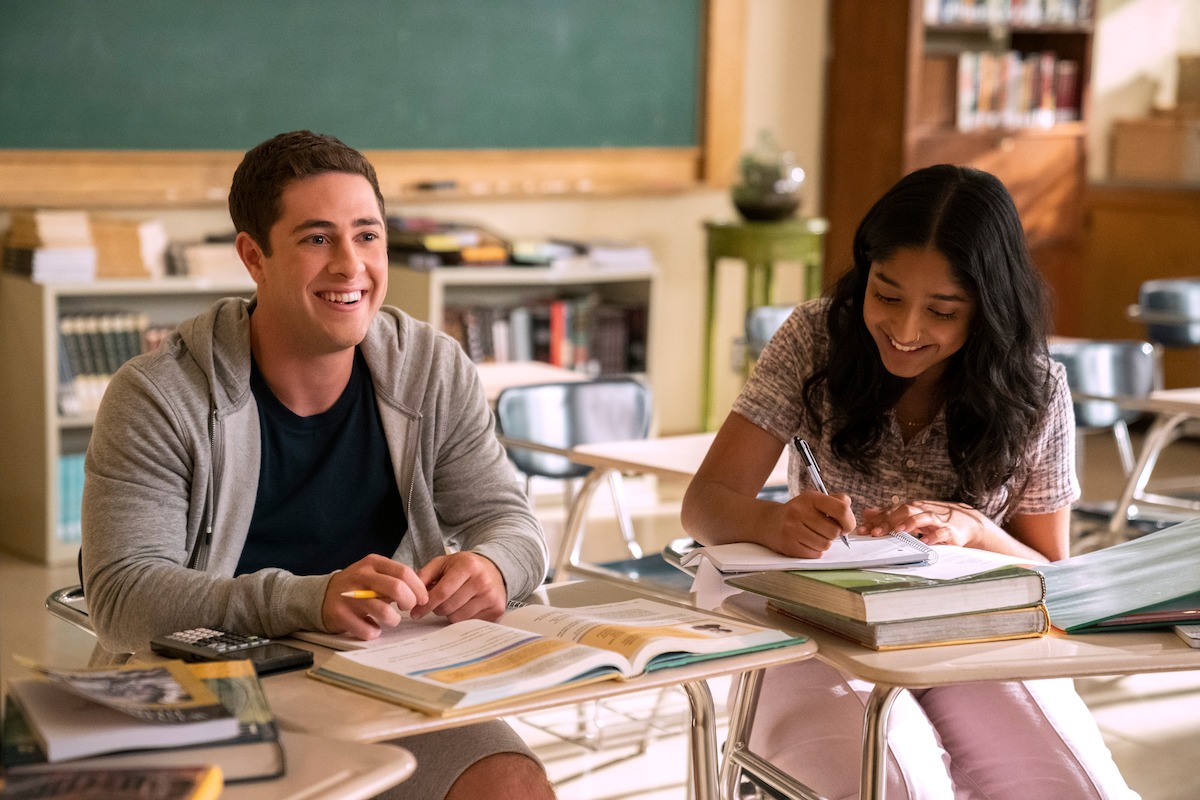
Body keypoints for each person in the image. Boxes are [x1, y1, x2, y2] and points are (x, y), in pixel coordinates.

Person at [82, 131, 555, 800]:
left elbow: (511, 521)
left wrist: (494, 566)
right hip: (207, 685)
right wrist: (310, 599)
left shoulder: (432, 367)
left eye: (367, 236)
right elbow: (123, 596)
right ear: (255, 256)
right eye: (315, 239)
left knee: (510, 783)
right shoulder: (159, 393)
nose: (350, 265)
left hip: (380, 676)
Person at [681, 164, 1139, 799]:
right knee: (897, 788)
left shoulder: (1035, 386)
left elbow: (1052, 578)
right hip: (814, 632)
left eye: (942, 311)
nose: (904, 330)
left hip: (965, 639)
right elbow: (703, 504)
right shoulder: (816, 338)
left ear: (987, 307)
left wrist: (979, 533)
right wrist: (769, 522)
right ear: (865, 270)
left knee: (1077, 791)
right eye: (886, 295)